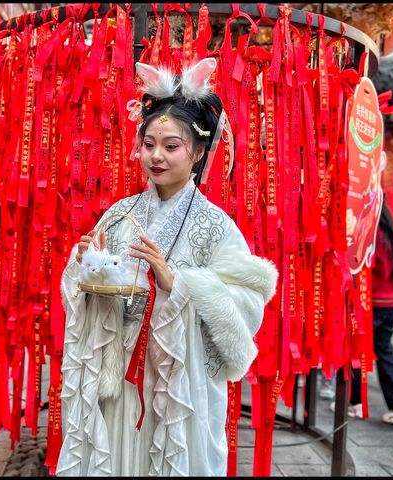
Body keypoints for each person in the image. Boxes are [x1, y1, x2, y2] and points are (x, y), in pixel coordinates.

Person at [57, 58, 278, 476]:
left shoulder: (215, 225)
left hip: (178, 385)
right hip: (118, 374)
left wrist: (178, 284)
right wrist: (87, 263)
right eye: (149, 144)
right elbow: (82, 292)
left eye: (171, 146)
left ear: (197, 152)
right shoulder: (121, 213)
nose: (156, 156)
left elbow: (248, 306)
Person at [345, 202, 393, 424]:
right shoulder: (392, 233)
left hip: (375, 302)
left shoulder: (373, 234)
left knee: (359, 348)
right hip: (390, 302)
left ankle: (357, 403)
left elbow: (368, 268)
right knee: (382, 348)